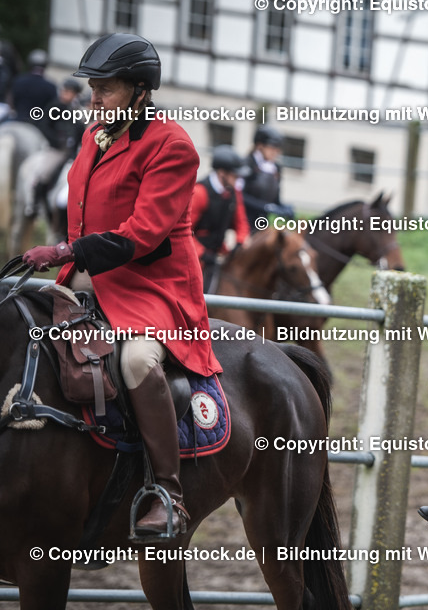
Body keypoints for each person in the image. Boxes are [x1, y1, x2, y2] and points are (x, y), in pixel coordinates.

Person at [21, 33, 221, 541]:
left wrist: (66, 251)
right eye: (92, 89)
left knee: (135, 361)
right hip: (87, 276)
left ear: (140, 91)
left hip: (152, 287)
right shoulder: (95, 132)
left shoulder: (173, 145)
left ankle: (167, 491)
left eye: (105, 90)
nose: (94, 100)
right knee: (18, 320)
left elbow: (142, 234)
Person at [191, 144, 251, 291]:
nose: (238, 180)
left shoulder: (234, 192)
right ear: (222, 173)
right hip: (196, 257)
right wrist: (202, 254)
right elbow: (184, 231)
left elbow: (241, 223)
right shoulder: (200, 193)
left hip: (218, 253)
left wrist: (240, 242)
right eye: (235, 176)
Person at [30, 77, 86, 216]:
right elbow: (43, 125)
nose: (64, 94)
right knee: (44, 174)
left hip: (72, 152)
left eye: (68, 91)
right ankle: (34, 205)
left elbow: (80, 131)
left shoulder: (77, 110)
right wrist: (56, 141)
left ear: (75, 94)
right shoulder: (55, 106)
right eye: (64, 90)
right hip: (56, 150)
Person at [241, 124, 292, 225]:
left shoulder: (276, 168)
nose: (276, 152)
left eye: (278, 148)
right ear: (260, 146)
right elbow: (240, 196)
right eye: (273, 147)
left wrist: (283, 207)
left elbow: (275, 200)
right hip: (242, 221)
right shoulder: (247, 164)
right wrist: (265, 207)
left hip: (262, 223)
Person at [10, 48, 57, 132]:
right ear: (45, 65)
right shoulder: (50, 86)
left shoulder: (18, 81)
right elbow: (52, 111)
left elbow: (13, 102)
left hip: (17, 121)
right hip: (38, 126)